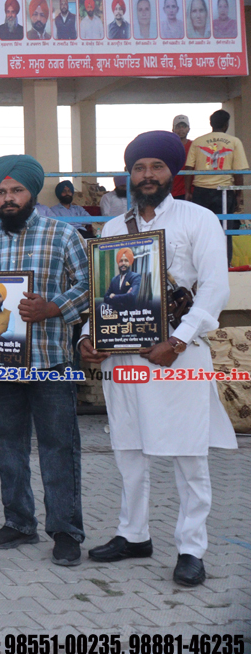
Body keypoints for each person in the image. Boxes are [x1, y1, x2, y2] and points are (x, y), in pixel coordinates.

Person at [80, 131, 236, 587]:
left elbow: (216, 288)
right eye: (139, 168)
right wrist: (89, 336)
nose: (147, 175)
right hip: (124, 357)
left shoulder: (199, 218)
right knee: (128, 449)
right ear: (129, 175)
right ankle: (134, 535)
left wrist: (179, 341)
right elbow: (102, 292)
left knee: (189, 454)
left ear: (173, 172)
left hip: (176, 357)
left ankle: (191, 548)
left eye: (156, 167)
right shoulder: (114, 228)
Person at [0, 155, 90, 566]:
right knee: (8, 446)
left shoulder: (64, 236)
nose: (8, 198)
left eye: (17, 191)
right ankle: (19, 522)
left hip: (51, 363)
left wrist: (53, 307)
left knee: (59, 447)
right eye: (1, 192)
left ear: (33, 193)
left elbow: (90, 285)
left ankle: (65, 531)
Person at [186, 109, 248, 261]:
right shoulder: (234, 142)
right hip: (224, 193)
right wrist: (238, 194)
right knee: (224, 230)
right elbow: (238, 172)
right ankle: (224, 264)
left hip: (201, 192)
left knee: (200, 231)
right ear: (226, 124)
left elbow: (188, 168)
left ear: (211, 123)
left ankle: (199, 263)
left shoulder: (198, 142)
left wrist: (188, 191)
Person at [171, 115, 192, 200]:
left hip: (190, 191)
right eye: (178, 127)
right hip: (172, 191)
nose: (181, 129)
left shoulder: (194, 146)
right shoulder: (168, 146)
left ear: (188, 129)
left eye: (184, 126)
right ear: (173, 129)